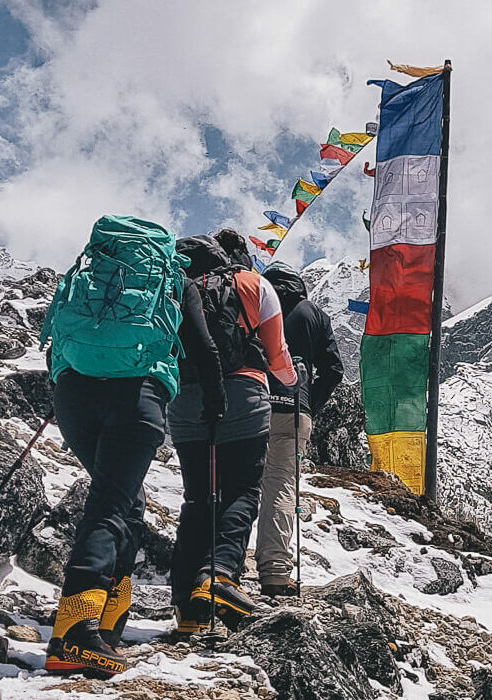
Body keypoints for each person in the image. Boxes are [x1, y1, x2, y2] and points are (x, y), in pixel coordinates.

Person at [38, 215, 186, 677]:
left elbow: (56, 331)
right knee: (110, 504)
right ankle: (74, 633)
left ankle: (108, 621)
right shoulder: (170, 277)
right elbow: (196, 342)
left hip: (74, 393)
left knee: (128, 501)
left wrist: (67, 383)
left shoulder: (91, 270)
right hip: (136, 396)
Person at [169, 230, 297, 632]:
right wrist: (291, 382)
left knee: (198, 498)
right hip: (243, 395)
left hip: (185, 401)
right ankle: (220, 575)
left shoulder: (173, 286)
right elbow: (277, 356)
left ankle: (186, 609)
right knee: (241, 490)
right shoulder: (253, 284)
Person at [255, 263, 344, 596]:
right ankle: (275, 573)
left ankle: (222, 569)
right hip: (294, 409)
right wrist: (309, 402)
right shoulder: (315, 314)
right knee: (281, 486)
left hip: (250, 402)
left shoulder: (256, 301)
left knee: (239, 485)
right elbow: (334, 370)